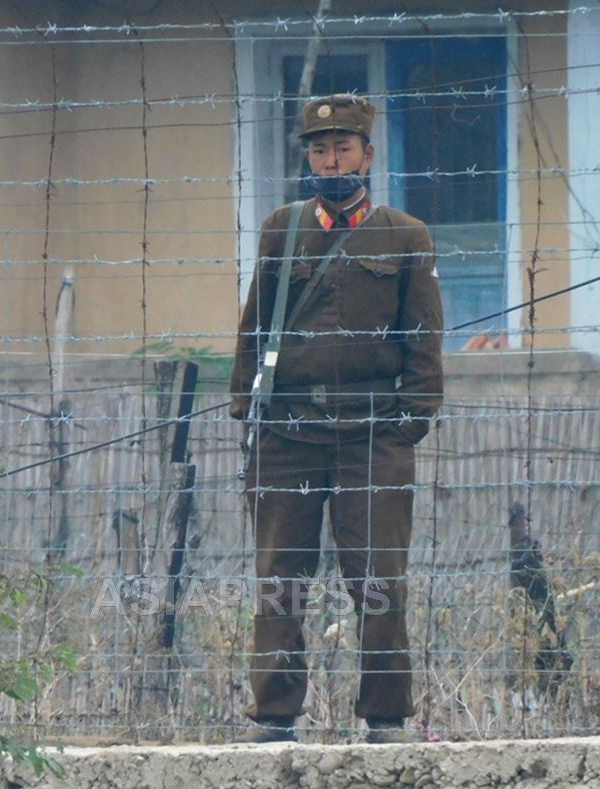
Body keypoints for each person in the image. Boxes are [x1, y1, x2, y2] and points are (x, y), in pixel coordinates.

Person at [229, 94, 444, 744]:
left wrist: (409, 422)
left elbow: (424, 341)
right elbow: (254, 325)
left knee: (378, 582)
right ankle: (275, 716)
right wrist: (248, 411)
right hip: (288, 434)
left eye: (342, 148)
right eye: (320, 150)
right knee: (281, 580)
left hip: (372, 436)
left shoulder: (404, 235)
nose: (331, 160)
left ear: (367, 155)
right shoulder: (282, 228)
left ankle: (385, 717)